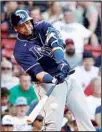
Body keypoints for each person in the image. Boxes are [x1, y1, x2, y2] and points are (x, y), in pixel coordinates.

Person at [10, 9, 95, 131]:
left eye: (28, 22)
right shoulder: (19, 51)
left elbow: (56, 43)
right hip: (47, 85)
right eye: (22, 25)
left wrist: (61, 62)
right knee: (53, 125)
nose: (27, 27)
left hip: (67, 77)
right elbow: (37, 73)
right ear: (15, 28)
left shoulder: (43, 26)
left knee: (84, 117)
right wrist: (53, 79)